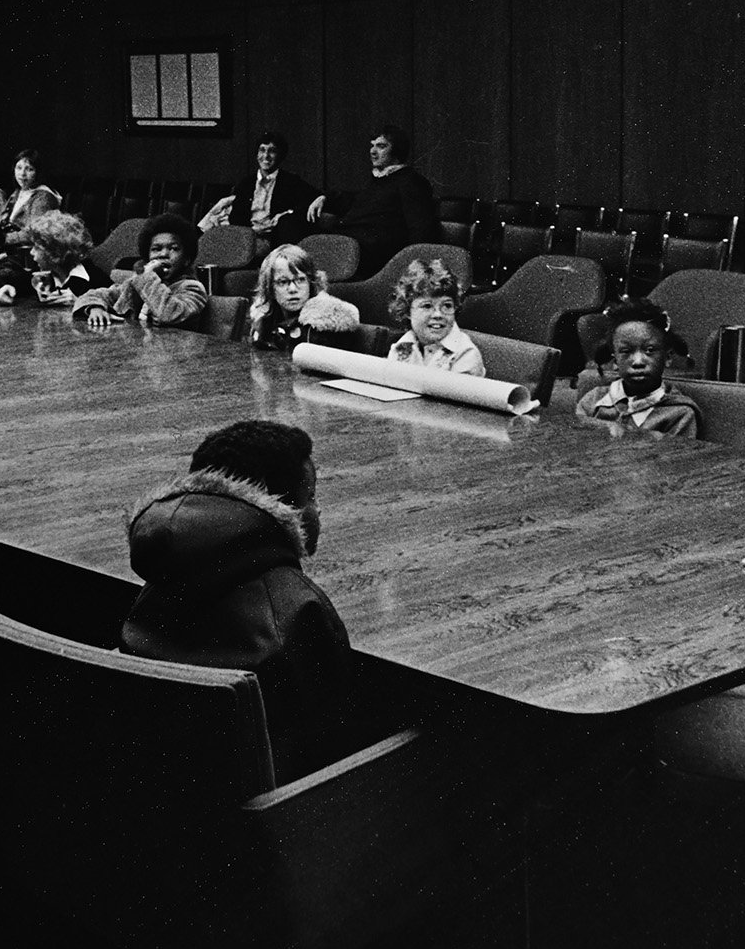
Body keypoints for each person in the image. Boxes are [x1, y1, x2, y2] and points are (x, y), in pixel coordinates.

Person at [122, 419, 357, 782]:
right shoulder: (298, 608)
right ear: (280, 507)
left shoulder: (160, 578)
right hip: (272, 822)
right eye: (310, 495)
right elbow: (333, 735)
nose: (318, 510)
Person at [306, 125, 437, 274]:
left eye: (381, 146)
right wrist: (324, 198)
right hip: (347, 245)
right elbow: (357, 200)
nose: (372, 151)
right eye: (372, 146)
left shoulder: (412, 181)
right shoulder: (379, 180)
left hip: (371, 254)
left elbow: (421, 230)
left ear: (397, 150)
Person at [574, 299, 702, 435]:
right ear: (615, 361)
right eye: (626, 351)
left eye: (650, 350)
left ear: (668, 357)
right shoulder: (593, 401)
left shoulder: (679, 413)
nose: (638, 362)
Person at [72, 213, 207, 330]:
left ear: (187, 259)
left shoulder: (192, 288)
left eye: (174, 248)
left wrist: (147, 276)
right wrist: (96, 308)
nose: (163, 254)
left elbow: (169, 314)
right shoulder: (137, 282)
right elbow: (93, 295)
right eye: (156, 249)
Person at [201, 132, 319, 248]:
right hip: (248, 237)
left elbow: (314, 197)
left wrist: (286, 213)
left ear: (280, 155)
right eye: (262, 150)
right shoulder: (246, 183)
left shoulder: (290, 181)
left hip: (275, 238)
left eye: (272, 151)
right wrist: (252, 231)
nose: (266, 156)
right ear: (257, 154)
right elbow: (236, 217)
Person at [245, 243, 359, 351]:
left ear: (312, 283)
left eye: (300, 280)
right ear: (270, 288)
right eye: (283, 282)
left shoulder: (325, 328)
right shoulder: (263, 321)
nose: (293, 289)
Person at [384, 259, 482, 374]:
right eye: (427, 306)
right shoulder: (401, 347)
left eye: (447, 305)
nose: (438, 314)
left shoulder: (466, 354)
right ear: (407, 311)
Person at [20, 210, 107, 305]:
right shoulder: (40, 276)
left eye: (37, 248)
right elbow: (14, 278)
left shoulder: (95, 278)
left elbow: (115, 305)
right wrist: (5, 288)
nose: (31, 252)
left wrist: (80, 303)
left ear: (55, 252)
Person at [2, 149, 62, 236]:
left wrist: (2, 239)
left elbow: (35, 233)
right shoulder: (19, 191)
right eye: (19, 168)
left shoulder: (43, 197)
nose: (22, 174)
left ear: (38, 173)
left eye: (29, 169)